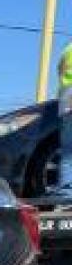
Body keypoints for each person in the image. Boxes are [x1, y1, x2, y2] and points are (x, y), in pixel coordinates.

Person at [58, 40, 72, 195]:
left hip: (67, 101)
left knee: (68, 151)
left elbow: (60, 72)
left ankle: (67, 194)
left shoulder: (67, 50)